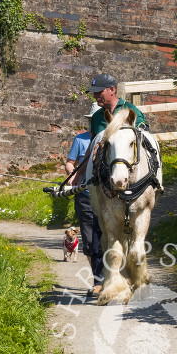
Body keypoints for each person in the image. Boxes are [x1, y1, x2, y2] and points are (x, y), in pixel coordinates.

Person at [65, 102, 103, 296]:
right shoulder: (80, 140)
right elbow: (70, 163)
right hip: (85, 197)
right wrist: (72, 176)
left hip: (106, 198)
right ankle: (98, 279)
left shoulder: (111, 139)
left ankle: (106, 280)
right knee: (89, 241)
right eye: (93, 120)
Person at [88, 72, 147, 137]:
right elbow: (92, 143)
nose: (95, 96)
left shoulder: (131, 110)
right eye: (94, 93)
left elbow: (144, 135)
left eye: (99, 92)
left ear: (112, 89)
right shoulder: (96, 117)